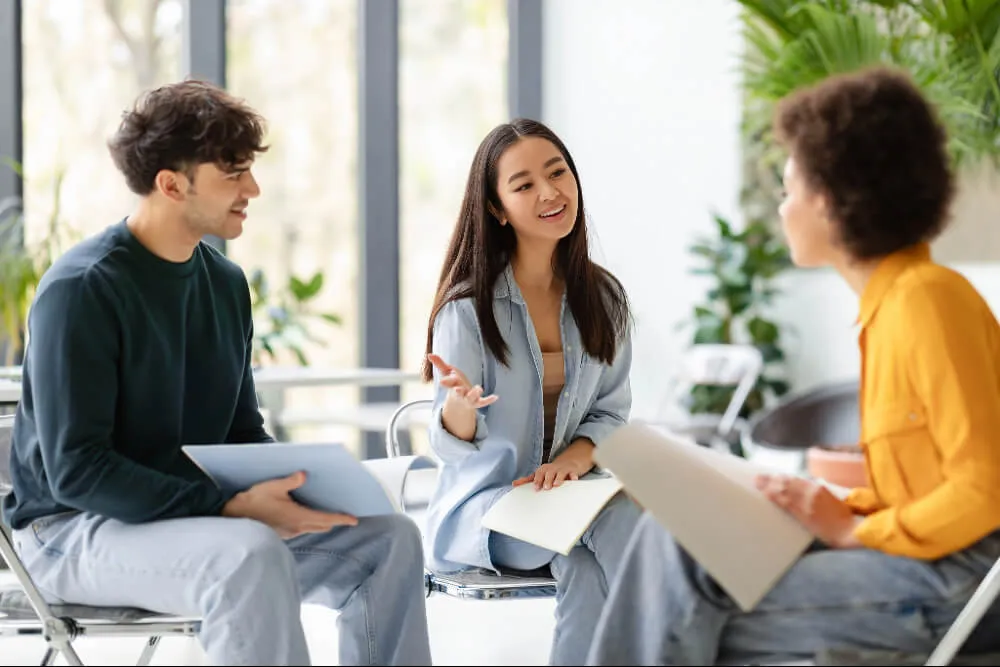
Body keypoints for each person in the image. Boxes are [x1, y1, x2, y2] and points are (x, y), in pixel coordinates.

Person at [1, 80, 432, 667]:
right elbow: (76, 472)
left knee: (391, 539)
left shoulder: (224, 285)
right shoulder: (83, 290)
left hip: (188, 519)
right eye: (232, 174)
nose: (252, 189)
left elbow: (239, 434)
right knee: (248, 554)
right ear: (171, 184)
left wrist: (299, 486)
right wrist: (228, 508)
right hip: (66, 533)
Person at [585, 65, 1000, 666]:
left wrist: (856, 532)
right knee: (669, 542)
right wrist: (825, 507)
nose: (782, 209)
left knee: (680, 608)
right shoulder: (892, 307)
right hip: (927, 561)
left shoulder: (926, 301)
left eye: (788, 190)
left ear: (829, 204)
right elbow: (927, 487)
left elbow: (985, 489)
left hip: (959, 580)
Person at [421, 117, 642, 666]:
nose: (549, 192)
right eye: (523, 185)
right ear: (497, 208)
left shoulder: (605, 298)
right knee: (618, 519)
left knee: (587, 562)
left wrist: (571, 459)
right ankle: (693, 637)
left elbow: (611, 413)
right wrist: (459, 408)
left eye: (557, 172)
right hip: (489, 511)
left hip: (568, 502)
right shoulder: (467, 308)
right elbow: (451, 450)